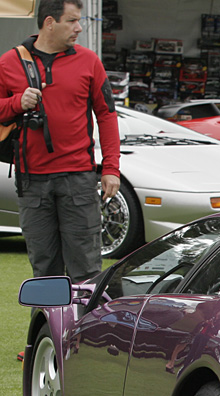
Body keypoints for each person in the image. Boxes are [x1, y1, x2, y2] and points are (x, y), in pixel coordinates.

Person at [0, 0, 119, 283]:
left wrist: (111, 168)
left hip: (78, 178)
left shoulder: (89, 60)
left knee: (87, 271)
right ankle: (47, 329)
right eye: (72, 21)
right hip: (31, 182)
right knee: (44, 272)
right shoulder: (9, 62)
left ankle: (84, 328)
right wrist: (18, 102)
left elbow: (107, 115)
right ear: (50, 22)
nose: (79, 28)